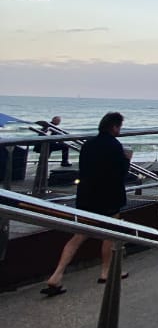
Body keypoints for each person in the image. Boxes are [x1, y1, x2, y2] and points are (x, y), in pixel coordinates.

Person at [41, 112, 131, 296]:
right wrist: (127, 159)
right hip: (108, 197)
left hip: (86, 196)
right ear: (114, 127)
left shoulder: (88, 144)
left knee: (78, 236)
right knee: (110, 234)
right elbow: (120, 173)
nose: (119, 130)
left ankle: (57, 275)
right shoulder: (114, 146)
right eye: (119, 127)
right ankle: (106, 271)